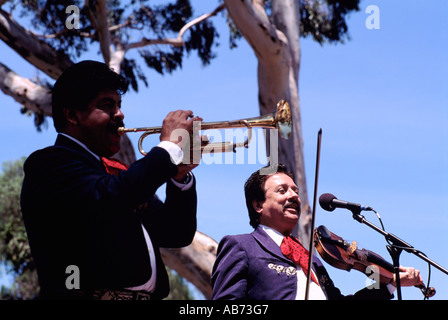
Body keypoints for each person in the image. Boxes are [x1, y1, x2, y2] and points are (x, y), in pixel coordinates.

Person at [20, 60, 201, 300]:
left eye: (119, 104)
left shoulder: (114, 172)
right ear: (72, 115)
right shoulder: (49, 164)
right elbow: (109, 198)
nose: (120, 113)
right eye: (107, 105)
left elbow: (175, 233)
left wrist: (180, 177)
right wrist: (167, 149)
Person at [211, 164, 423, 300]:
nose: (294, 196)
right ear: (258, 205)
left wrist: (390, 285)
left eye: (296, 190)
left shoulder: (311, 259)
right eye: (282, 191)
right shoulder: (241, 246)